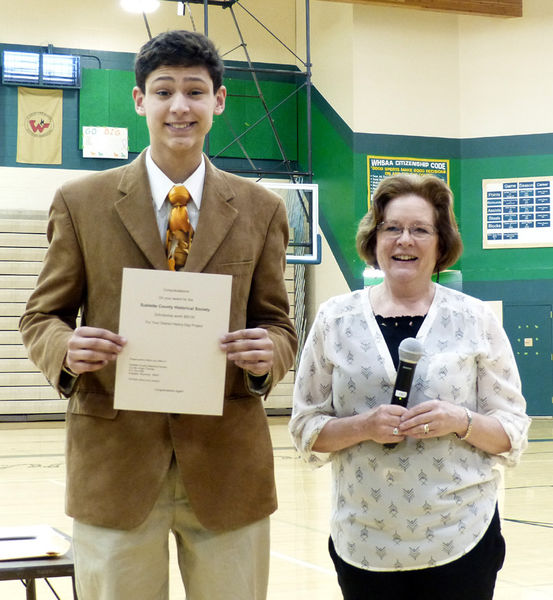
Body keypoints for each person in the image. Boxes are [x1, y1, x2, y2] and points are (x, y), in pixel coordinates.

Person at [20, 30, 297, 600]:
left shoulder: (261, 209)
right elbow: (41, 317)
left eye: (195, 92)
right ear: (138, 100)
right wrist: (65, 351)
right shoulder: (82, 202)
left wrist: (271, 355)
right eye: (163, 90)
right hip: (115, 469)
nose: (179, 106)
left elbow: (280, 323)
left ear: (218, 102)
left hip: (229, 469)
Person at [289, 174, 530, 600]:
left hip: (461, 536)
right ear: (374, 238)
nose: (405, 240)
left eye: (421, 230)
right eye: (392, 228)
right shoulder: (333, 319)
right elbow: (306, 428)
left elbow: (511, 431)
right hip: (365, 540)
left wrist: (460, 420)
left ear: (441, 244)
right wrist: (363, 426)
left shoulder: (476, 319)